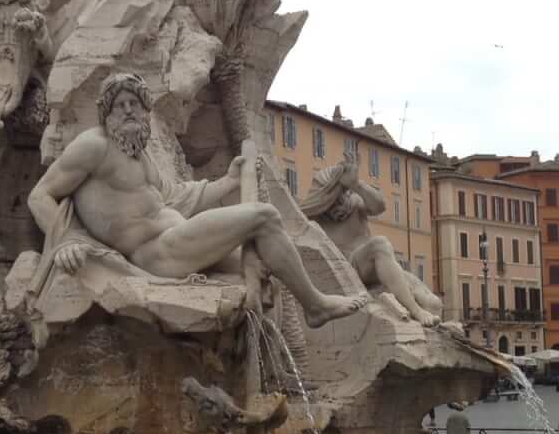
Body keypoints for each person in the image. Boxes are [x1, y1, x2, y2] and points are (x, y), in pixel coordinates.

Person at [27, 71, 369, 328]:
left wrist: (229, 181)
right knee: (264, 216)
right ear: (107, 113)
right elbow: (40, 194)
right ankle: (316, 306)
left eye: (135, 104)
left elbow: (176, 199)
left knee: (265, 271)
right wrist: (67, 241)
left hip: (179, 239)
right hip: (156, 253)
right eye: (120, 105)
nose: (129, 111)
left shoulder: (138, 154)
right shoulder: (93, 145)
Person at [300, 153, 443, 327]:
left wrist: (356, 184)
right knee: (380, 244)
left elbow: (380, 205)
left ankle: (425, 315)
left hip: (378, 265)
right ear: (327, 193)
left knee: (434, 304)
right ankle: (416, 311)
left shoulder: (355, 202)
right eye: (338, 192)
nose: (342, 197)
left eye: (344, 192)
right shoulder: (317, 215)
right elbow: (299, 212)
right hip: (349, 267)